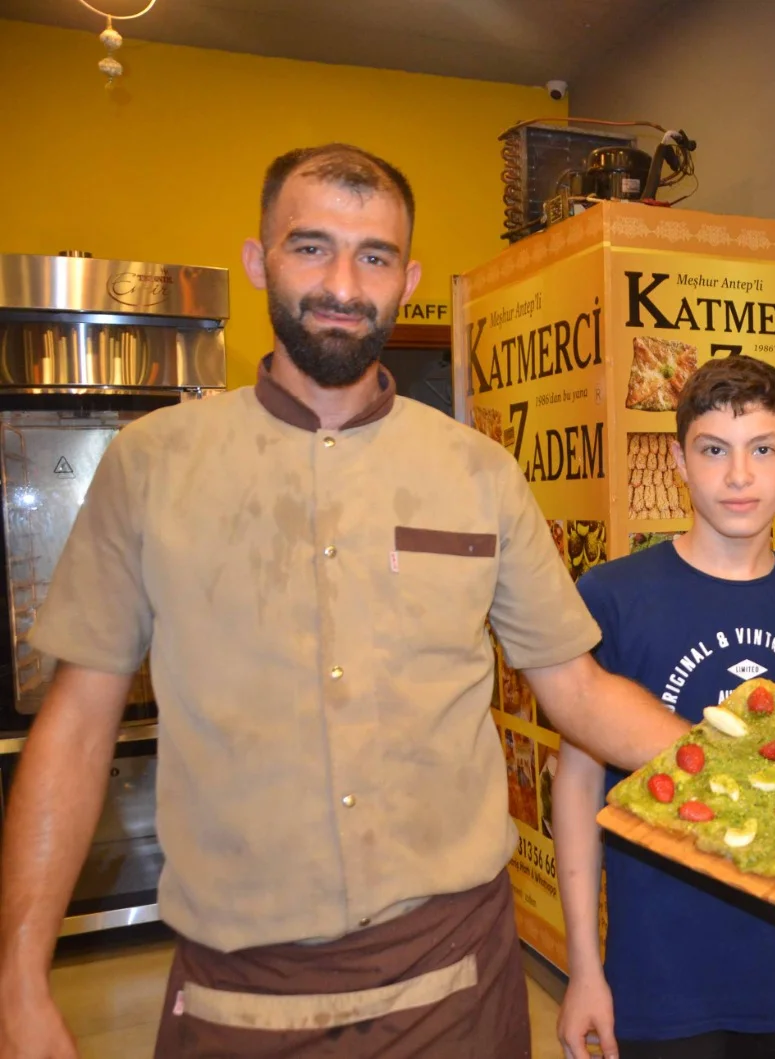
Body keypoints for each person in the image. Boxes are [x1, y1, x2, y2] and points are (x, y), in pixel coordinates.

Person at [0, 144, 686, 1059]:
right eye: (311, 247)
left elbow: (580, 691)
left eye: (373, 257)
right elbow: (77, 726)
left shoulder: (478, 473)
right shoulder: (153, 466)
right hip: (241, 994)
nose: (342, 285)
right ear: (259, 260)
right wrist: (18, 974)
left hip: (454, 977)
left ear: (407, 279)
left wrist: (744, 767)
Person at [553, 355, 775, 1059]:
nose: (739, 476)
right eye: (714, 451)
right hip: (659, 974)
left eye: (763, 449)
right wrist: (584, 966)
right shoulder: (613, 596)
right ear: (679, 461)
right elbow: (579, 782)